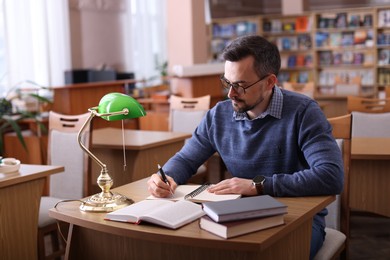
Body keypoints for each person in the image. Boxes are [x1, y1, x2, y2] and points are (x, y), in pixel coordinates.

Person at [147, 35, 344, 259]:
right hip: (236, 215)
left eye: (240, 85)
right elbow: (186, 159)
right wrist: (165, 177)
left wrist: (257, 185)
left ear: (270, 82)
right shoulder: (218, 116)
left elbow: (331, 176)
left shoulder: (304, 112)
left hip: (299, 220)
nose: (230, 94)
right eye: (227, 83)